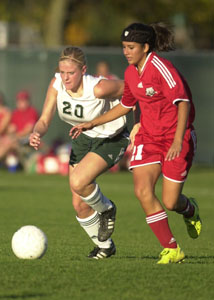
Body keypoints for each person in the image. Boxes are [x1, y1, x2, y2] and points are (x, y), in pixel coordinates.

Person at [70, 22, 202, 264]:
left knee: (172, 201)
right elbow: (126, 106)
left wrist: (176, 140)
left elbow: (183, 103)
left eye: (131, 47)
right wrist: (92, 123)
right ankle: (172, 248)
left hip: (177, 137)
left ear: (146, 46)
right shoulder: (131, 73)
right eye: (123, 47)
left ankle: (189, 209)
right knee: (142, 191)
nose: (126, 51)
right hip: (148, 138)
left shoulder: (163, 69)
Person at [29, 46, 129, 259]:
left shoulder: (99, 88)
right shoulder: (57, 83)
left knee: (78, 181)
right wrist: (37, 132)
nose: (65, 78)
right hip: (83, 139)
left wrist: (139, 125)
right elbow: (45, 119)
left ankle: (107, 209)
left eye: (71, 73)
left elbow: (135, 91)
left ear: (83, 70)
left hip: (112, 138)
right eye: (62, 72)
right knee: (79, 204)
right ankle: (105, 246)